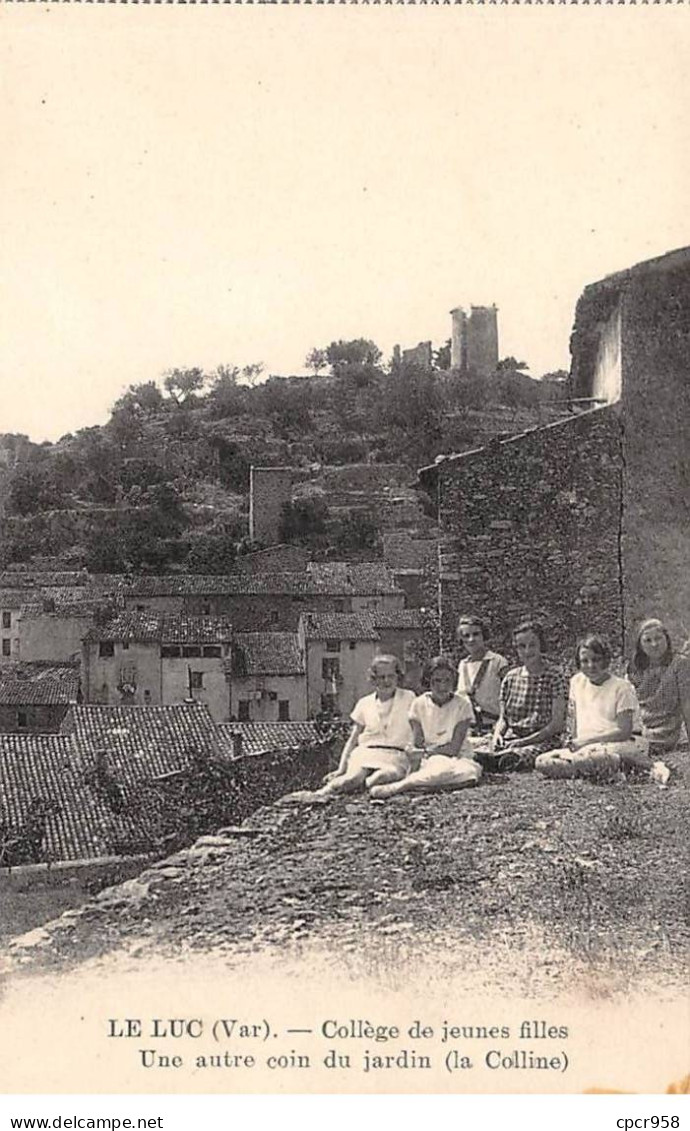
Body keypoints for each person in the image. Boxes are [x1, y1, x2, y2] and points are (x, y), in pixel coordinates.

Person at [282, 654, 415, 803]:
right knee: (351, 779)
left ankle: (364, 787)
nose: (386, 681)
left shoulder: (409, 698)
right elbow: (352, 741)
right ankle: (319, 794)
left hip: (396, 755)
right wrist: (341, 769)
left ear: (398, 677)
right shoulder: (364, 703)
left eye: (391, 676)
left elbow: (419, 728)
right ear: (373, 679)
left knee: (384, 776)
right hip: (367, 753)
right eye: (381, 677)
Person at [535, 633, 660, 780]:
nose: (591, 666)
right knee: (542, 761)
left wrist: (586, 741)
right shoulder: (576, 682)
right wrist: (575, 742)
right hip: (587, 747)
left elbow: (624, 731)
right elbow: (576, 720)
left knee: (593, 758)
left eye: (596, 660)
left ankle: (625, 765)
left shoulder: (621, 687)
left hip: (621, 744)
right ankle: (608, 771)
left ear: (605, 660)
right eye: (585, 661)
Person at [369, 655, 482, 799]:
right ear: (428, 681)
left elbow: (454, 748)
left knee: (468, 773)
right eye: (437, 681)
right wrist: (417, 755)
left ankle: (405, 786)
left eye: (447, 680)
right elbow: (418, 743)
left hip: (459, 758)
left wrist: (425, 752)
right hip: (432, 760)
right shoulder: (418, 704)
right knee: (439, 769)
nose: (442, 686)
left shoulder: (463, 705)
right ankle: (417, 785)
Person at [482, 619, 567, 771]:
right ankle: (491, 758)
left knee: (514, 758)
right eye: (522, 646)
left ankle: (501, 761)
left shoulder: (554, 676)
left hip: (541, 740)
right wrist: (497, 735)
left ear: (541, 645)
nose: (527, 651)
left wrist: (523, 742)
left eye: (532, 645)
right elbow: (504, 718)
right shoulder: (511, 677)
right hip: (512, 738)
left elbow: (556, 725)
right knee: (477, 749)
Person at [627, 618, 690, 756]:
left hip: (664, 732)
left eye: (658, 638)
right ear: (640, 645)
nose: (654, 644)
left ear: (666, 639)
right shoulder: (635, 668)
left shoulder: (679, 664)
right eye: (647, 640)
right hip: (636, 728)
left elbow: (687, 704)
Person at [456, 614, 509, 734]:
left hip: (493, 728)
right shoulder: (462, 665)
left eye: (476, 634)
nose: (471, 639)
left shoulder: (497, 661)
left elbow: (509, 696)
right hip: (468, 730)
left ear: (483, 635)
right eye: (466, 635)